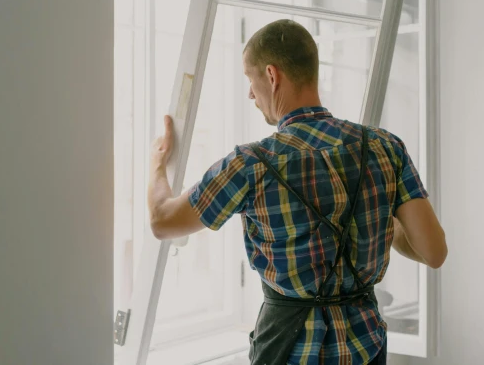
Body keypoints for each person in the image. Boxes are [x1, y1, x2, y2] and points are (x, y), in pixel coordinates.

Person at [147, 19, 447, 365]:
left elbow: (162, 221)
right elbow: (434, 252)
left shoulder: (251, 164)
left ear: (272, 76)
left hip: (289, 352)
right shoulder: (384, 147)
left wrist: (157, 165)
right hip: (366, 348)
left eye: (250, 79)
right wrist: (383, 223)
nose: (249, 93)